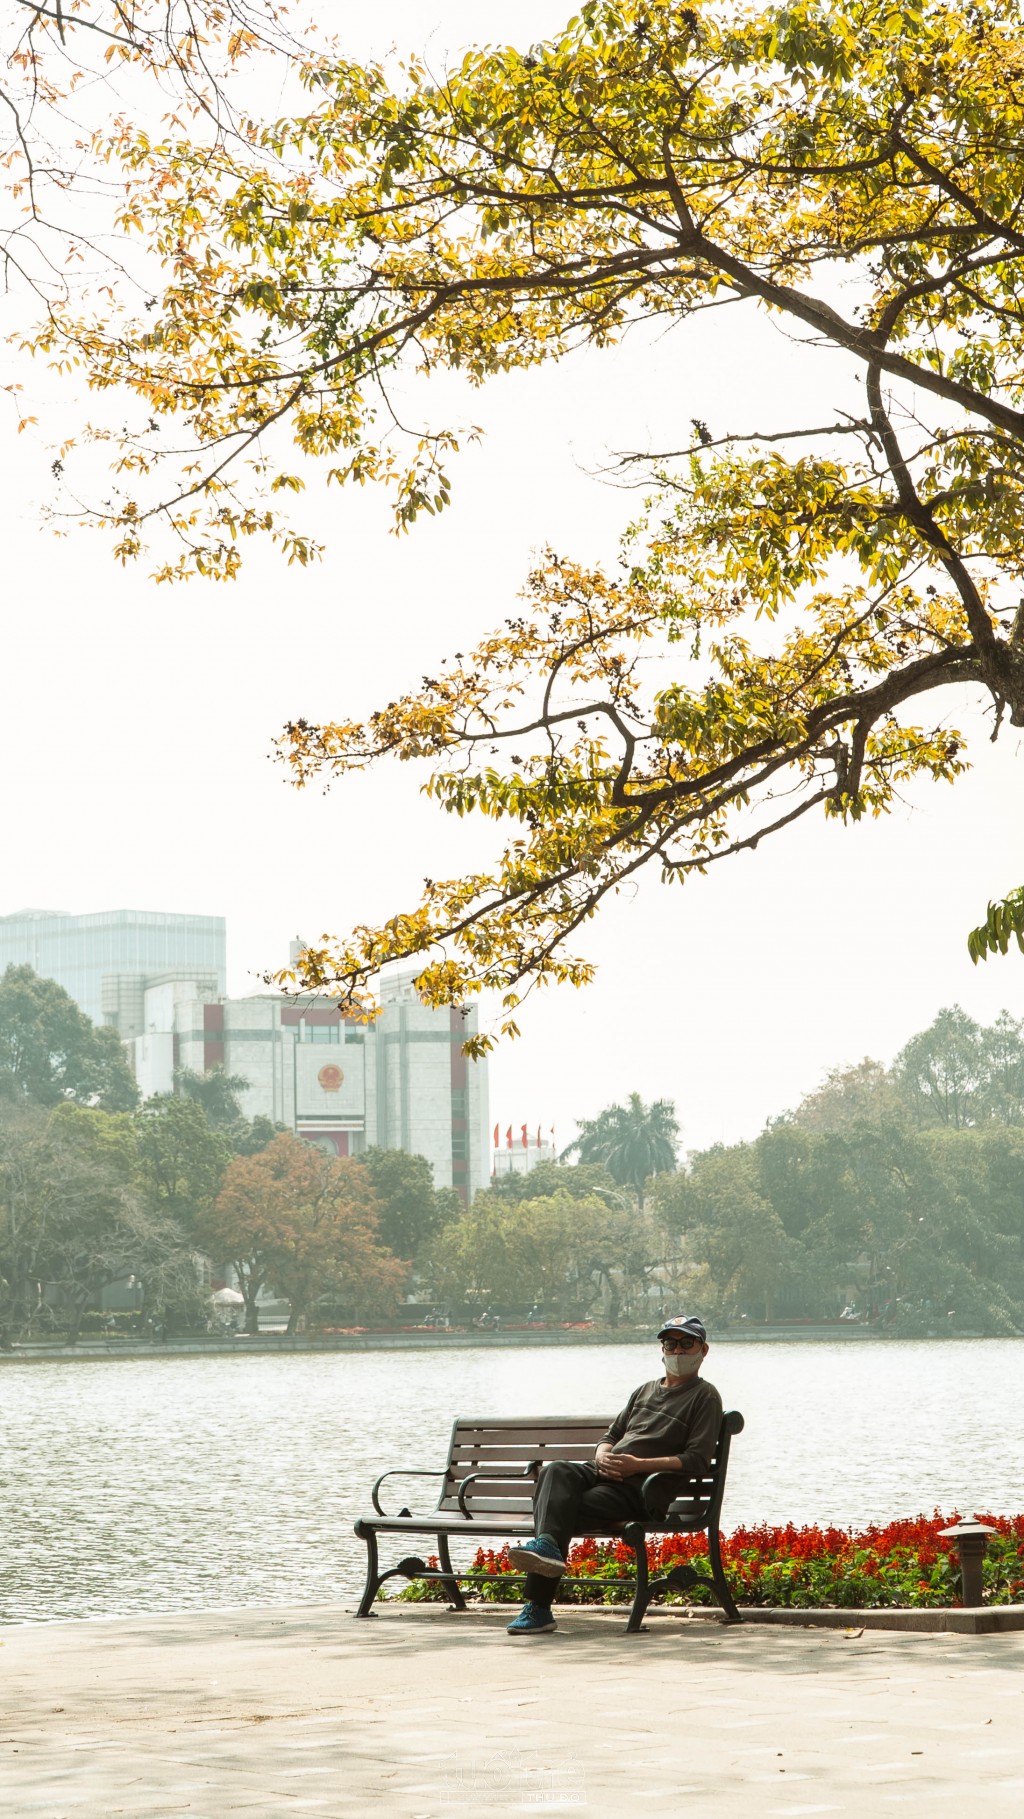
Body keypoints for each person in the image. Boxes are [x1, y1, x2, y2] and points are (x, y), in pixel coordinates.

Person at [504, 1315, 723, 1636]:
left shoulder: (704, 1396)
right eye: (670, 1343)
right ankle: (547, 1548)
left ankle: (538, 1607)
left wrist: (637, 1465)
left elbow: (697, 1459)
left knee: (558, 1507)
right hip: (603, 1472)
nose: (677, 1351)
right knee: (555, 1471)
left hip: (640, 1491)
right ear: (662, 1349)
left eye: (686, 1343)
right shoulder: (644, 1391)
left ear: (703, 1350)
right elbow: (611, 1434)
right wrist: (602, 1453)